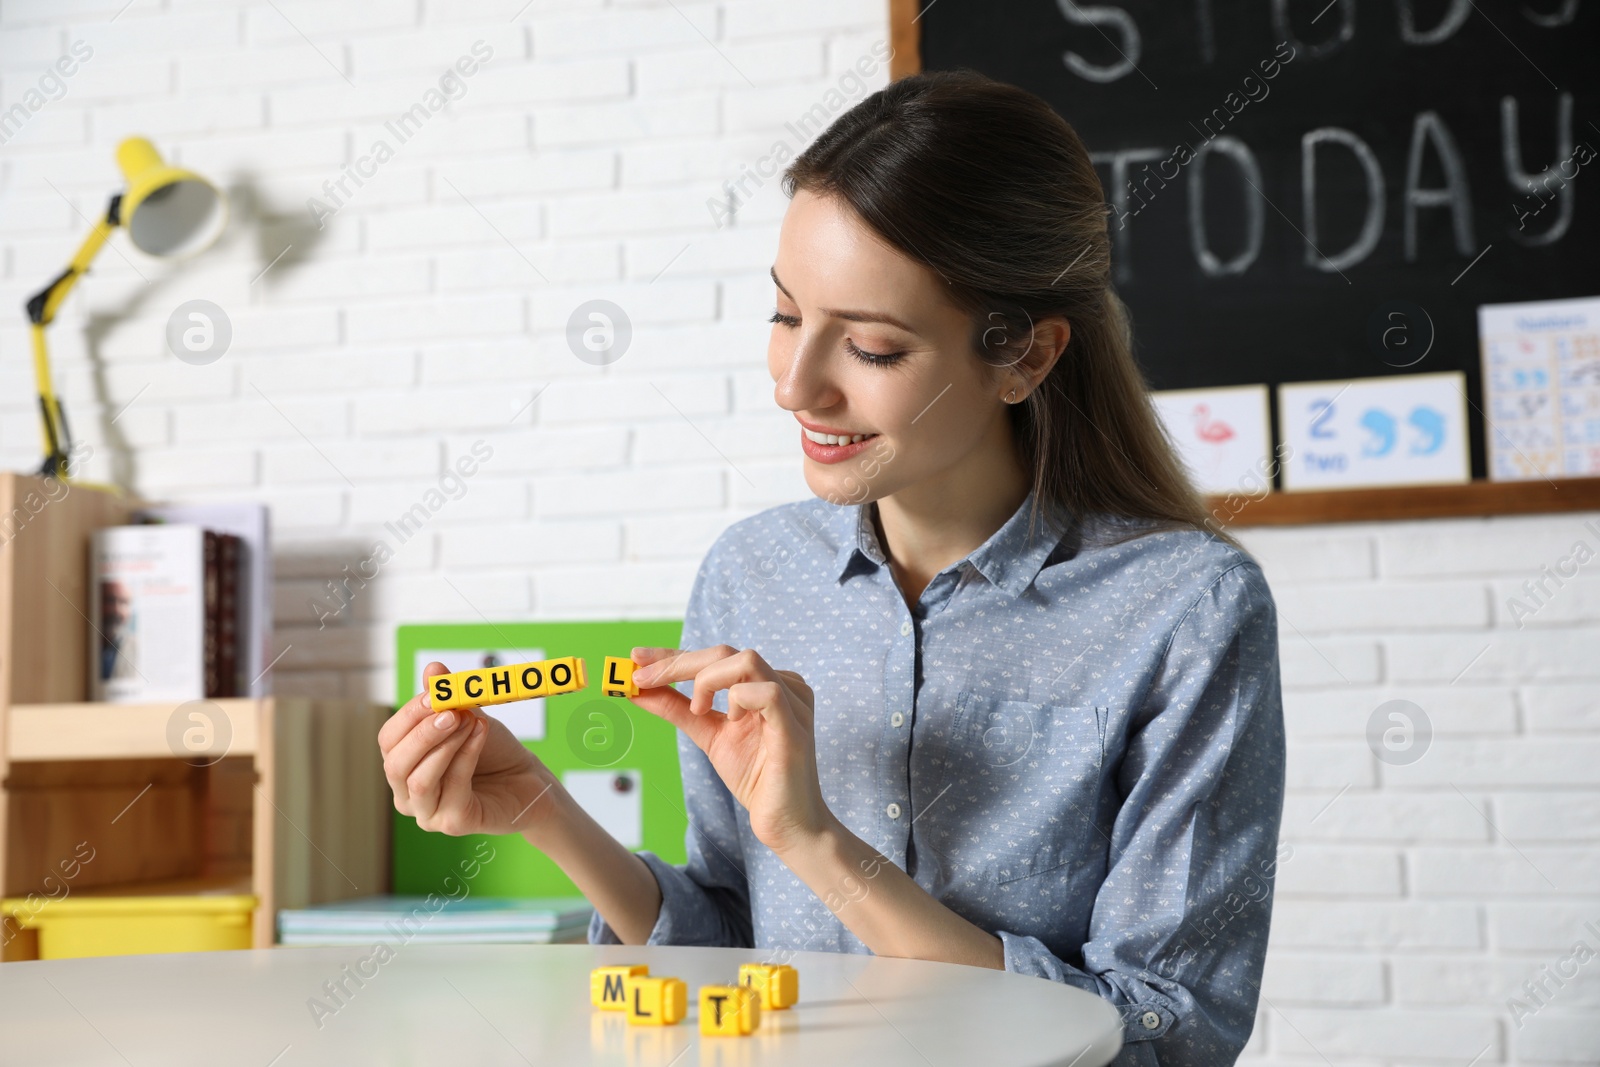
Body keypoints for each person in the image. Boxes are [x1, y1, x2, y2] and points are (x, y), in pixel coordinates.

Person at [378, 69, 1285, 1065]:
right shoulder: (752, 572)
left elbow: (1165, 1031)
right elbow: (728, 943)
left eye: (871, 346)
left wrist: (819, 843)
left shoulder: (1183, 609)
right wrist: (540, 809)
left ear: (1023, 356)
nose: (797, 385)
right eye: (783, 315)